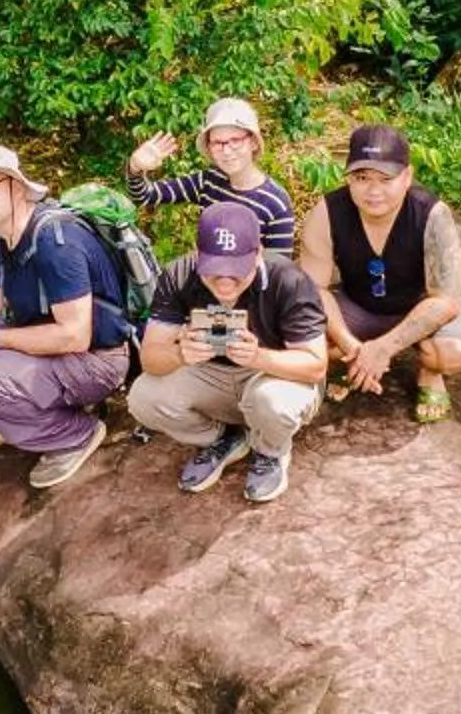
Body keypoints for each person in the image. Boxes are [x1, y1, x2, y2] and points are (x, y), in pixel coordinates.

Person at [0, 143, 135, 489]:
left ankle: (74, 435)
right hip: (44, 340)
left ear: (18, 187)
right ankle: (43, 413)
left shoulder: (55, 241)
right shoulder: (3, 236)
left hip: (97, 358)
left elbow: (74, 335)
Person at [128, 202, 329, 503]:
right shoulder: (178, 274)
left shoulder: (289, 280)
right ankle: (223, 438)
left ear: (258, 252)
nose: (225, 282)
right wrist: (180, 354)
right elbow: (150, 358)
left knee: (272, 401)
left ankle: (270, 451)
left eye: (237, 270)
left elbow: (315, 366)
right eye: (214, 269)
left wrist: (259, 357)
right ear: (198, 253)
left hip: (272, 374)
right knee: (143, 397)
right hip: (210, 373)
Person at [297, 123, 461, 423]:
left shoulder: (431, 215)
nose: (373, 190)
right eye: (362, 177)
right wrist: (351, 346)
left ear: (407, 177)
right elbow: (313, 290)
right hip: (358, 306)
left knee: (453, 352)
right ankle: (353, 362)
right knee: (301, 336)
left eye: (386, 179)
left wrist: (384, 348)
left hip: (420, 306)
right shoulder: (327, 212)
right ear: (349, 178)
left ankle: (429, 372)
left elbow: (446, 302)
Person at [125, 96, 296, 255]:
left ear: (253, 142)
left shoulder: (276, 203)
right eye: (218, 143)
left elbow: (278, 274)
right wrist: (135, 168)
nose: (227, 151)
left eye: (235, 140)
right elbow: (145, 196)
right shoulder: (208, 181)